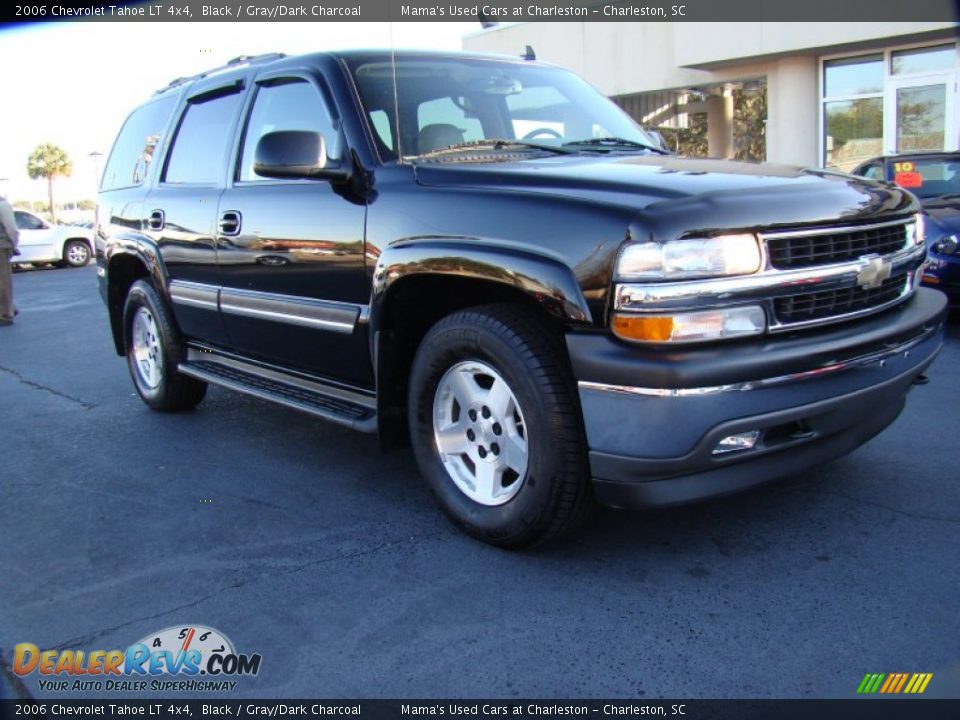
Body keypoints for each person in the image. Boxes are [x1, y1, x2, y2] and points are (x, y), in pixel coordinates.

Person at [0, 193, 20, 326]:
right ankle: (9, 310)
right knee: (3, 281)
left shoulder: (3, 205)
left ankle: (6, 312)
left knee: (2, 282)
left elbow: (11, 229)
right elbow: (12, 229)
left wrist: (13, 244)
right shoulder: (3, 205)